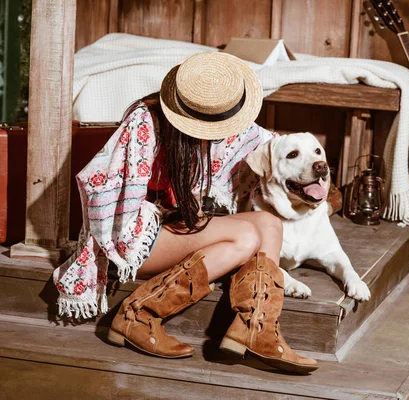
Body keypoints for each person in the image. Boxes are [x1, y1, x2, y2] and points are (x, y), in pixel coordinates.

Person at [52, 52, 318, 374]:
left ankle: (257, 326)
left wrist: (312, 174)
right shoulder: (145, 122)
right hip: (134, 238)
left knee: (269, 224)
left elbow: (274, 145)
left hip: (180, 228)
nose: (224, 131)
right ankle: (140, 314)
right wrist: (162, 211)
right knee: (246, 236)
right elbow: (104, 193)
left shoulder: (226, 118)